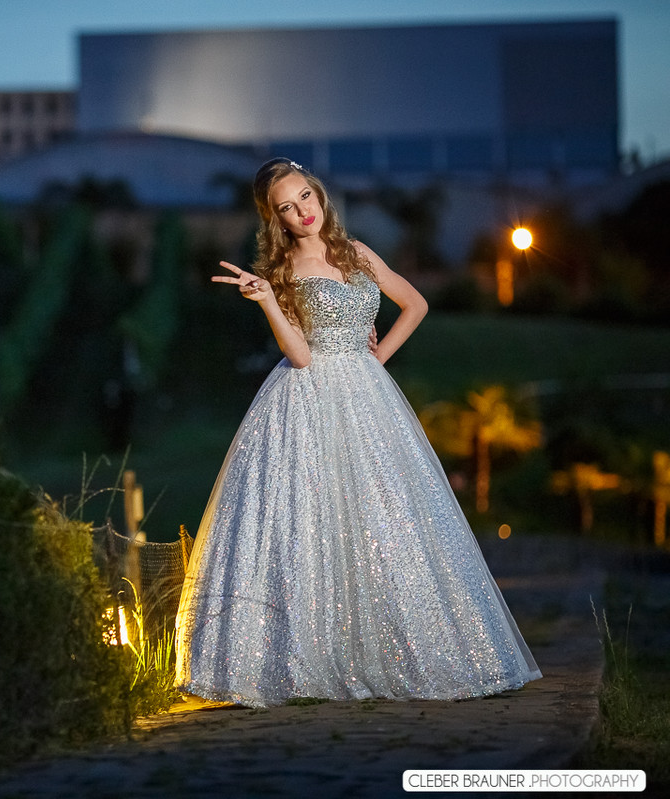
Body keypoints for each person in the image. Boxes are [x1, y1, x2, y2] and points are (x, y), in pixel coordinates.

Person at [174, 159, 541, 705]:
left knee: (387, 515)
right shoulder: (281, 274)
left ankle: (404, 645)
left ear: (318, 193)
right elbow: (298, 356)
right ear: (275, 219)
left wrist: (377, 357)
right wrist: (269, 300)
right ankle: (306, 655)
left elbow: (414, 303)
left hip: (368, 393)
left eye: (306, 197)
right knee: (310, 522)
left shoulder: (356, 252)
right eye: (287, 208)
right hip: (308, 396)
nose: (303, 212)